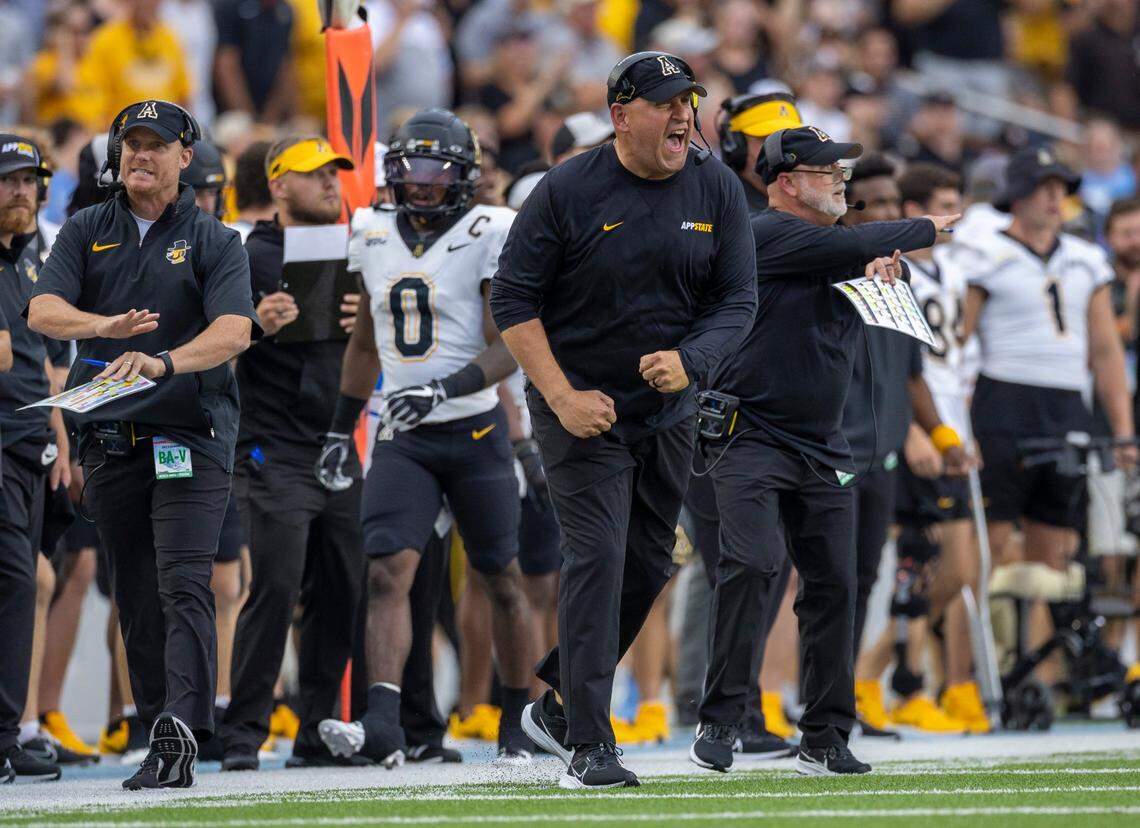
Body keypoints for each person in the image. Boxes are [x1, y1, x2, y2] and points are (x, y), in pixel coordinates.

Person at [491, 52, 758, 789]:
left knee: (648, 563)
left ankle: (556, 705)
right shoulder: (566, 189)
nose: (683, 115)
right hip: (578, 407)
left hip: (667, 407)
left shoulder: (718, 187)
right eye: (667, 102)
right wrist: (562, 396)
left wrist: (693, 361)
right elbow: (513, 302)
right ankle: (589, 741)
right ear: (620, 115)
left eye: (689, 101)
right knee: (599, 555)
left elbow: (738, 301)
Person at [690, 125, 958, 776]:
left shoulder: (832, 245)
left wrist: (879, 275)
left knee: (836, 584)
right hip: (750, 431)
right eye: (827, 171)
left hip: (821, 440)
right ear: (786, 183)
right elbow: (857, 243)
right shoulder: (765, 232)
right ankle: (722, 717)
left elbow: (872, 295)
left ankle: (826, 733)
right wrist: (922, 229)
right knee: (753, 564)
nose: (842, 180)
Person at [27, 99, 259, 790]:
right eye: (131, 143)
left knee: (183, 580)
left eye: (156, 145)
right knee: (135, 591)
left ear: (186, 158)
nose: (140, 155)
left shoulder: (216, 239)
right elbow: (43, 308)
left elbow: (234, 332)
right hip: (109, 437)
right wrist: (105, 327)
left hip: (189, 430)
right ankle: (162, 720)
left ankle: (180, 726)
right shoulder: (86, 227)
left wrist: (161, 361)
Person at [316, 108, 535, 767]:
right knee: (387, 571)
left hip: (473, 429)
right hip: (403, 437)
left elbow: (511, 347)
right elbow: (363, 341)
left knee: (500, 577)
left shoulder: (490, 229)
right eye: (409, 168)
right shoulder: (372, 229)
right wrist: (340, 424)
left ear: (464, 176)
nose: (420, 182)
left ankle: (518, 720)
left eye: (437, 170)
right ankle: (383, 724)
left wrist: (444, 388)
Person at [961, 146, 1136, 685]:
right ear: (1017, 193)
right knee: (988, 542)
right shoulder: (983, 253)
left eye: (1061, 186)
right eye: (1044, 186)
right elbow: (962, 344)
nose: (1055, 197)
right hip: (1003, 399)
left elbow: (1105, 351)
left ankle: (1043, 673)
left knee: (1056, 546)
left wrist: (1124, 431)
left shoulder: (1085, 258)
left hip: (1065, 404)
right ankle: (973, 675)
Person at [219, 135, 364, 772]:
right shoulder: (241, 254)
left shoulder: (361, 247)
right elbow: (208, 345)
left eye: (334, 172)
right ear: (278, 186)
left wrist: (372, 321)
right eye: (314, 175)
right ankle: (244, 732)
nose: (330, 183)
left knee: (343, 585)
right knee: (275, 586)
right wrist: (255, 323)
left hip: (336, 440)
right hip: (273, 443)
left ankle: (317, 730)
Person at [841, 158, 974, 737]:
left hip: (886, 445)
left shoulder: (906, 279)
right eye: (878, 204)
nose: (892, 214)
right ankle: (776, 701)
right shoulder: (829, 270)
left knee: (867, 577)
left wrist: (938, 431)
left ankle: (844, 699)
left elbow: (909, 369)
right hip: (836, 448)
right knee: (822, 580)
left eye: (897, 203)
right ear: (848, 210)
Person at [0, 133, 67, 783]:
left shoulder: (27, 259)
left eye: (30, 180)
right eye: (9, 180)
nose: (21, 191)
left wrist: (59, 435)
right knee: (19, 584)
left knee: (28, 583)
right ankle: (6, 732)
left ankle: (12, 729)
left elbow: (39, 364)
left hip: (26, 447)